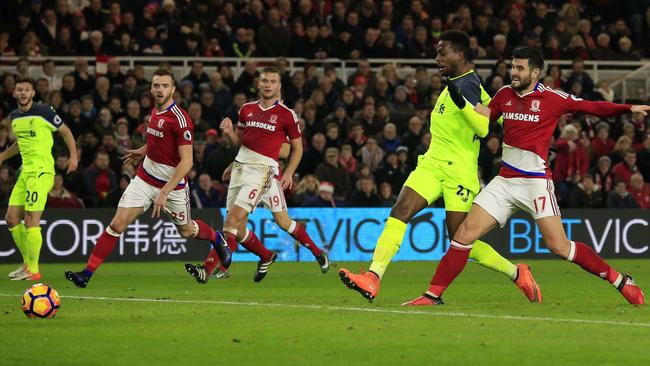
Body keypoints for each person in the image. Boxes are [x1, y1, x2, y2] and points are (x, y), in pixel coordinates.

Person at [409, 46, 647, 306]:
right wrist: (464, 104)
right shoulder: (503, 95)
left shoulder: (552, 98)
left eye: (519, 68)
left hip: (535, 183)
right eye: (512, 67)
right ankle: (432, 295)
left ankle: (620, 281)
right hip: (505, 181)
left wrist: (628, 108)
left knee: (560, 247)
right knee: (464, 234)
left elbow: (591, 106)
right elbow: (485, 122)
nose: (513, 72)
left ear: (535, 72)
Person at [339, 31, 541, 303]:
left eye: (442, 53)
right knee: (400, 211)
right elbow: (502, 116)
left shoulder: (468, 86)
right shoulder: (461, 85)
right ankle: (373, 277)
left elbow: (483, 128)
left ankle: (517, 273)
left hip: (458, 173)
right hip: (432, 164)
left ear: (459, 54)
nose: (437, 59)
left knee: (460, 239)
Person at [64, 68, 232, 288]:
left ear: (173, 89)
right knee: (117, 224)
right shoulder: (154, 110)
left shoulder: (181, 120)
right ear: (151, 88)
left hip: (173, 187)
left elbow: (187, 162)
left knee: (186, 230)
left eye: (164, 86)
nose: (160, 89)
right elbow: (159, 140)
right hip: (144, 180)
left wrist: (164, 192)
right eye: (156, 85)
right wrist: (143, 150)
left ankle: (217, 239)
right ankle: (86, 274)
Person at [185, 67, 329, 285]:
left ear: (279, 86)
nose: (268, 84)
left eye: (273, 81)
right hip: (241, 170)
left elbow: (296, 149)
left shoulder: (287, 115)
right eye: (264, 81)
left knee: (235, 221)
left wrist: (289, 173)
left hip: (263, 172)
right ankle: (266, 255)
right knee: (242, 226)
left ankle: (207, 269)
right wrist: (231, 135)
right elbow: (242, 144)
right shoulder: (246, 110)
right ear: (258, 84)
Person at [1, 76, 78, 281]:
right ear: (14, 93)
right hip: (25, 172)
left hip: (42, 172)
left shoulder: (44, 111)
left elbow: (66, 132)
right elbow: (20, 143)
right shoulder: (15, 116)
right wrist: (2, 156)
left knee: (31, 221)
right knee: (10, 218)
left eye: (27, 89)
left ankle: (33, 271)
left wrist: (74, 157)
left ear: (33, 93)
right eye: (20, 89)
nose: (23, 93)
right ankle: (27, 263)